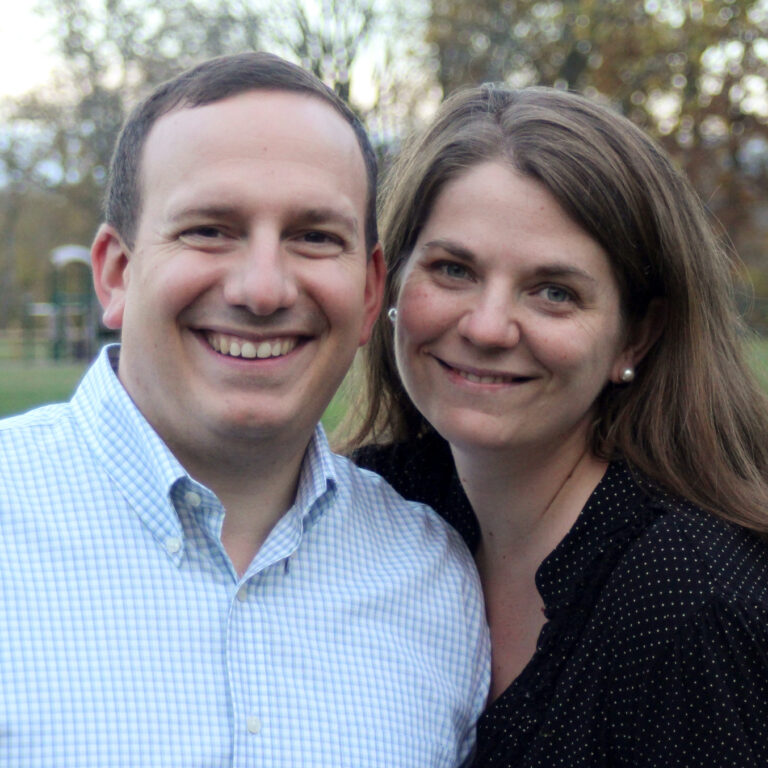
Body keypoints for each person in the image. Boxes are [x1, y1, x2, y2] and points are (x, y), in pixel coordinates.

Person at [0, 53, 490, 767]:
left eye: (315, 237)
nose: (263, 290)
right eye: (209, 229)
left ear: (367, 292)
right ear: (117, 273)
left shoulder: (434, 578)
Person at [352, 84, 768, 766]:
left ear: (635, 337)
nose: (487, 327)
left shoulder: (691, 605)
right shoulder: (363, 515)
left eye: (554, 292)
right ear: (391, 285)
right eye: (453, 269)